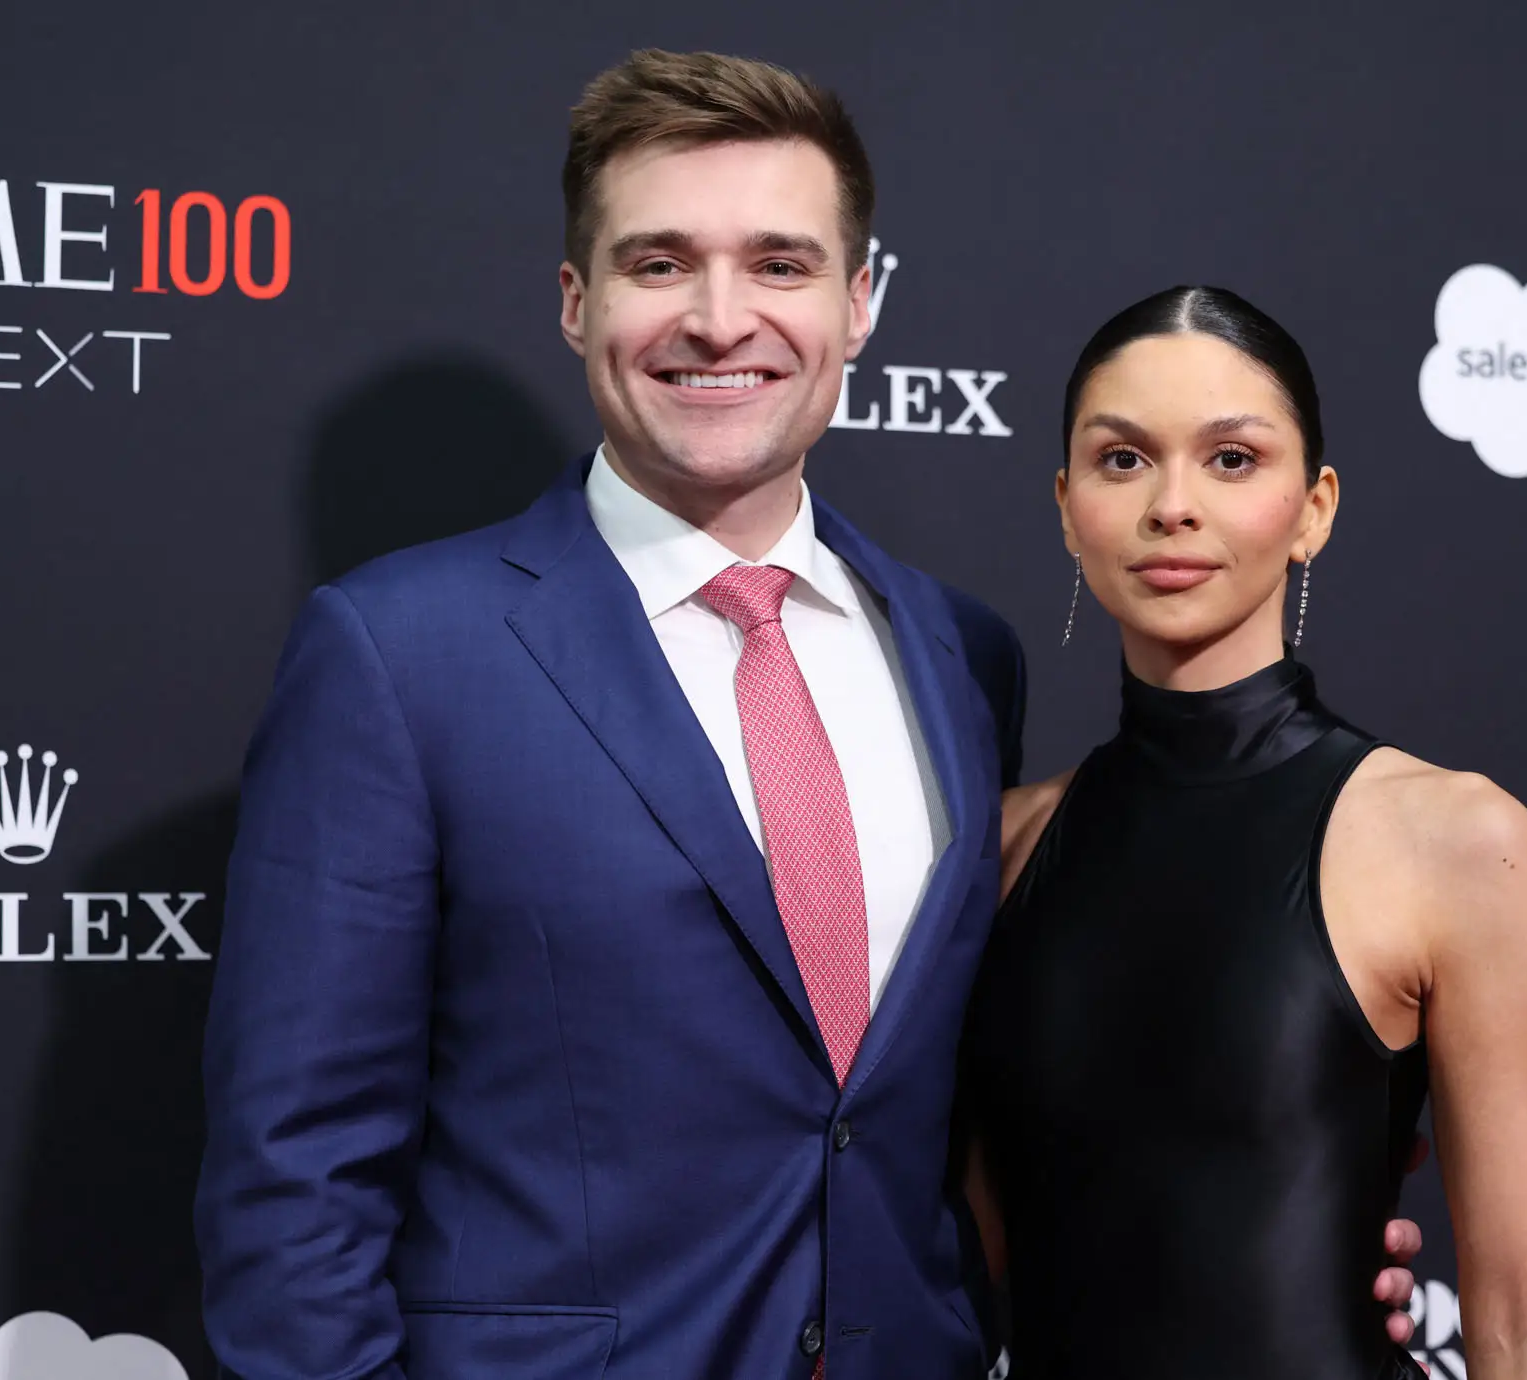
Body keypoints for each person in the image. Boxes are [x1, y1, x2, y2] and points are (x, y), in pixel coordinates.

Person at [194, 52, 1424, 1380]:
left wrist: (1264, 1232)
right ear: (574, 301)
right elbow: (294, 1180)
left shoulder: (963, 656)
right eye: (659, 263)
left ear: (860, 303)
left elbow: (972, 1106)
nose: (721, 320)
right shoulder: (398, 652)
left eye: (779, 265)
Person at [964, 286, 1527, 1379]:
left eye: (1231, 459)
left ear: (1314, 507)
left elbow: (1524, 1322)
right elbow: (967, 1259)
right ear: (1065, 506)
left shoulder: (1452, 839)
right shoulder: (1002, 847)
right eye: (1121, 461)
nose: (1171, 505)